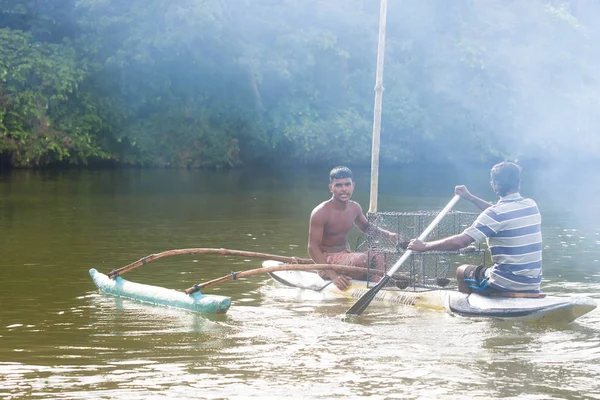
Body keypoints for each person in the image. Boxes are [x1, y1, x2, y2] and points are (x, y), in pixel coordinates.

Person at [407, 161, 542, 295]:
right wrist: (470, 198)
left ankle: (466, 310)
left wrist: (424, 246)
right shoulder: (531, 205)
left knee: (462, 271)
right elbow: (501, 214)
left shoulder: (495, 214)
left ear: (495, 185)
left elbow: (461, 242)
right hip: (533, 282)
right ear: (518, 183)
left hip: (505, 282)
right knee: (480, 272)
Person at [308, 166, 398, 291]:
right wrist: (333, 276)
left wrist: (387, 234)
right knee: (363, 259)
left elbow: (366, 227)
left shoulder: (354, 207)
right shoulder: (320, 212)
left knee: (381, 256)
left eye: (347, 184)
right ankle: (373, 282)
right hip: (327, 261)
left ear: (353, 185)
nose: (344, 189)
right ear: (331, 188)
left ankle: (378, 285)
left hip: (346, 255)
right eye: (338, 185)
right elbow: (312, 248)